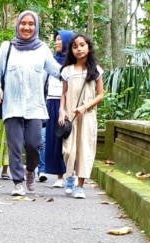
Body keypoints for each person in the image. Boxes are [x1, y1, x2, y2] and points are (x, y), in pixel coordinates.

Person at [0, 10, 61, 196]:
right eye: (23, 23)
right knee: (14, 145)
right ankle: (18, 182)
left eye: (31, 24)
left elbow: (56, 70)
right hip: (11, 105)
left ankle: (30, 170)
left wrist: (80, 72)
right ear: (18, 25)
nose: (27, 27)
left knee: (34, 144)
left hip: (35, 106)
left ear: (36, 27)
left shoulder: (42, 49)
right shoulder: (7, 47)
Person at [59, 33, 105, 199]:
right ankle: (69, 176)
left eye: (82, 45)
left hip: (87, 116)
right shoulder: (67, 71)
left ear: (89, 47)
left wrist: (85, 107)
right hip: (70, 115)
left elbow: (100, 95)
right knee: (68, 150)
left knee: (85, 148)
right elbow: (63, 93)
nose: (78, 49)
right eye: (75, 46)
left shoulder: (96, 71)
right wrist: (61, 111)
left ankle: (80, 185)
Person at [44, 30, 74, 188]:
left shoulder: (74, 62)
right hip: (51, 101)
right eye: (55, 40)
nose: (56, 43)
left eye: (59, 40)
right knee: (54, 139)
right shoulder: (51, 61)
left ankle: (71, 174)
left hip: (68, 103)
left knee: (67, 138)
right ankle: (59, 175)